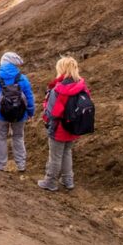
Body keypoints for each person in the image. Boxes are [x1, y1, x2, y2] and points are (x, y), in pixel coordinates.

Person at [38, 57, 91, 191]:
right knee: (67, 152)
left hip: (59, 128)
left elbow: (53, 113)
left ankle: (50, 181)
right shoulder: (81, 86)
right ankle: (68, 180)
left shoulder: (59, 89)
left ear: (61, 69)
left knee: (55, 156)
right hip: (73, 127)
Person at [0, 52, 35, 172]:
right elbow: (29, 97)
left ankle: (0, 166)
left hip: (0, 114)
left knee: (1, 138)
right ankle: (21, 165)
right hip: (20, 114)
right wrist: (31, 112)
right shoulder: (23, 78)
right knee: (18, 137)